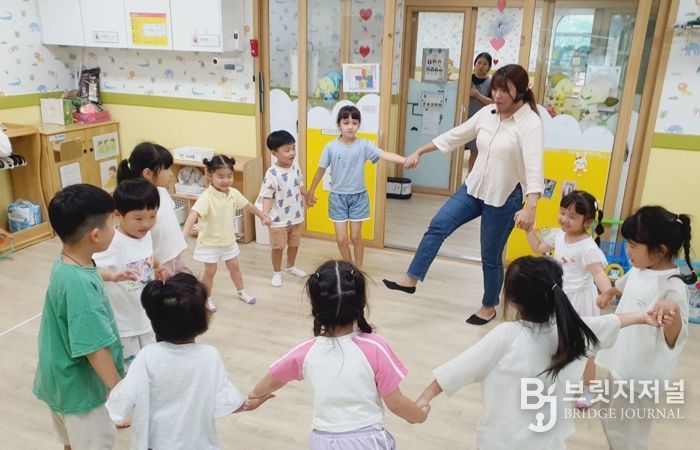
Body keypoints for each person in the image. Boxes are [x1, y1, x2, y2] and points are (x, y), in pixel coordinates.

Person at [415, 256, 660, 450]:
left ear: (513, 301)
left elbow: (458, 369)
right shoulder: (574, 331)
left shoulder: (506, 335)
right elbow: (615, 321)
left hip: (501, 443)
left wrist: (424, 398)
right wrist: (643, 316)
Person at [383, 64, 544, 325]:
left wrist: (530, 206)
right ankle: (411, 278)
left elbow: (535, 168)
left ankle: (489, 306)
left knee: (490, 257)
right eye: (495, 89)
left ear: (521, 92)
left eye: (505, 91)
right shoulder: (487, 113)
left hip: (503, 197)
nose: (497, 96)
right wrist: (420, 151)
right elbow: (455, 135)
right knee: (438, 226)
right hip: (473, 187)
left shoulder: (530, 124)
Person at [247, 260, 428, 449]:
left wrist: (253, 396)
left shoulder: (305, 352)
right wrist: (419, 416)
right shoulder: (375, 346)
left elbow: (274, 377)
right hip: (366, 441)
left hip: (321, 442)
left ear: (315, 304)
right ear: (361, 302)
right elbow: (396, 403)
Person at [106, 273, 270, 449]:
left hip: (155, 443)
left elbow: (122, 398)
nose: (210, 309)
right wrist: (249, 404)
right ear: (197, 320)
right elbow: (226, 399)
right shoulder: (208, 356)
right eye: (206, 305)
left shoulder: (147, 356)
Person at [595, 206, 695, 450]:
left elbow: (675, 337)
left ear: (660, 250)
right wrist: (610, 292)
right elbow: (625, 283)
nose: (627, 251)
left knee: (629, 434)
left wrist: (672, 312)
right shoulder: (641, 269)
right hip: (621, 361)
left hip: (640, 377)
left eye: (632, 245)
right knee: (607, 414)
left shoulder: (673, 286)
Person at [33, 184, 124, 450]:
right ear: (95, 235)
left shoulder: (67, 261)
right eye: (112, 225)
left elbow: (88, 273)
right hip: (82, 389)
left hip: (60, 379)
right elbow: (94, 349)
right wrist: (119, 390)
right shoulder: (80, 287)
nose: (115, 229)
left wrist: (110, 275)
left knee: (72, 442)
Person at [526, 190, 613, 409]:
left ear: (587, 221)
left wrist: (606, 293)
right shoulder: (558, 235)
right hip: (561, 297)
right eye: (563, 212)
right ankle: (553, 382)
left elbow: (598, 273)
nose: (564, 219)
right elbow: (538, 248)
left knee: (586, 349)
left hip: (582, 301)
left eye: (572, 216)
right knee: (556, 341)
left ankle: (588, 388)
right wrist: (528, 230)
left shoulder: (588, 247)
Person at [307, 105, 406, 267]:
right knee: (341, 238)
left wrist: (405, 160)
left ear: (359, 125)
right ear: (339, 125)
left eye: (354, 123)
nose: (350, 126)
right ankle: (349, 266)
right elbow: (321, 170)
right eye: (346, 123)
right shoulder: (330, 147)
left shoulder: (364, 145)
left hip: (358, 197)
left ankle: (358, 268)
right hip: (337, 198)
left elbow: (383, 154)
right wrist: (311, 191)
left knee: (355, 236)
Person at [182, 155, 271, 306]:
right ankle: (207, 298)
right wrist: (184, 235)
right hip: (210, 243)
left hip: (228, 241)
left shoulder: (233, 193)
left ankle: (242, 292)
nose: (226, 180)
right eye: (220, 176)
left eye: (229, 176)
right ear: (210, 175)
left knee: (235, 268)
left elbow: (248, 205)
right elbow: (193, 214)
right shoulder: (206, 197)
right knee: (210, 272)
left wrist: (262, 216)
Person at [94, 179, 161, 369]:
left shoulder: (145, 235)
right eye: (138, 219)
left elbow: (146, 257)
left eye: (153, 216)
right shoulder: (112, 242)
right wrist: (112, 276)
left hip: (147, 316)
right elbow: (91, 271)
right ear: (118, 215)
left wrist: (157, 266)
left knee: (151, 364)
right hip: (124, 324)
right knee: (130, 371)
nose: (146, 224)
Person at [117, 142, 188, 274]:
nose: (171, 174)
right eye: (167, 169)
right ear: (148, 173)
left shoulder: (162, 191)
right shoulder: (140, 203)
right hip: (161, 260)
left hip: (177, 251)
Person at [259, 130, 307, 287]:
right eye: (287, 150)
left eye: (293, 148)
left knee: (294, 243)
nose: (292, 153)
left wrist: (308, 196)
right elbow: (267, 196)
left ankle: (291, 266)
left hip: (296, 215)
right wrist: (265, 214)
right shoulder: (272, 173)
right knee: (278, 247)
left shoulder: (295, 166)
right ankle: (277, 272)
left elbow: (300, 184)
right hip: (278, 219)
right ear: (274, 153)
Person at [465, 52, 493, 172]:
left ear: (489, 67)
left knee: (475, 151)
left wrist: (477, 95)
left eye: (485, 64)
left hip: (481, 122)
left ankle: (470, 177)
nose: (481, 66)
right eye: (479, 63)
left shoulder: (491, 82)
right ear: (474, 64)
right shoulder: (466, 79)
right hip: (464, 119)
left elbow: (493, 103)